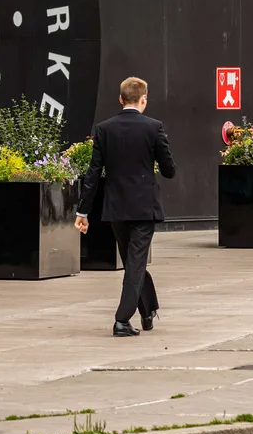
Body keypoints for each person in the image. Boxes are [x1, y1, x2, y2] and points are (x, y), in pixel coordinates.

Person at [75, 77, 177, 337]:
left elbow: (93, 173)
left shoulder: (104, 129)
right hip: (144, 206)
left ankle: (147, 310)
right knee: (135, 263)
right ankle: (122, 319)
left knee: (134, 261)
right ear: (144, 99)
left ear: (120, 99)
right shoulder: (154, 128)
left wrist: (83, 211)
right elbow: (169, 171)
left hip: (116, 207)